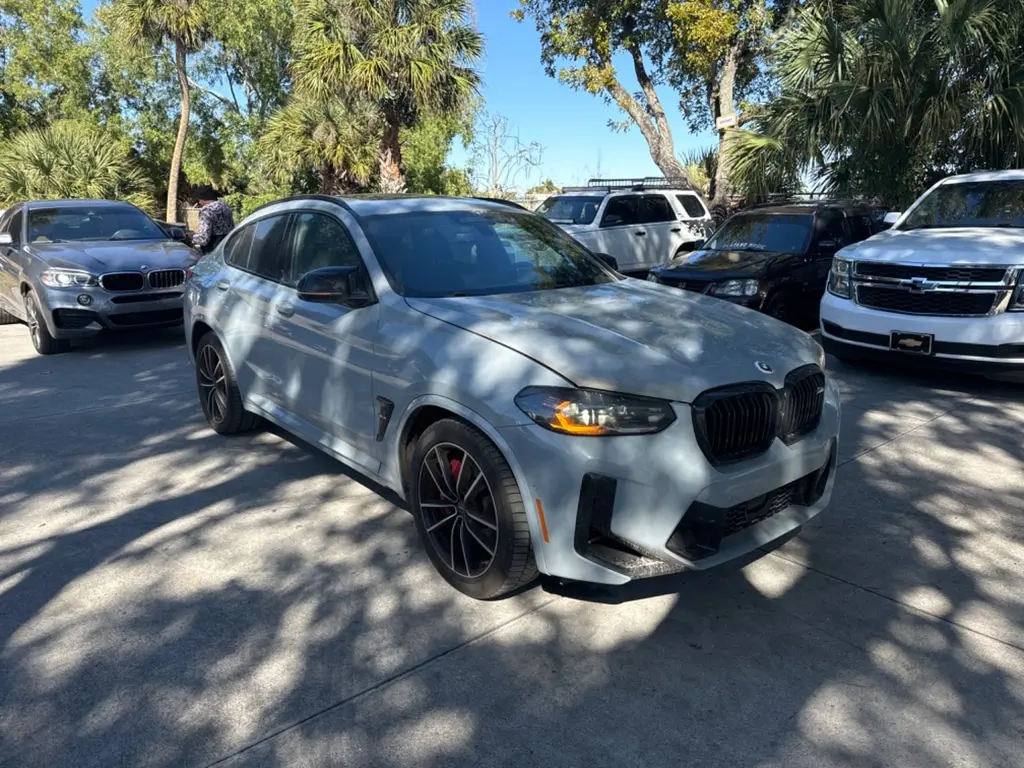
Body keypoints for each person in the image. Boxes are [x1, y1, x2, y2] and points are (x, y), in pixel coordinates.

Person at [191, 185, 235, 253]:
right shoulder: (225, 206)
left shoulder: (206, 211)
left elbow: (203, 239)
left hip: (213, 250)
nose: (198, 202)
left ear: (202, 199)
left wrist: (191, 237)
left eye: (198, 199)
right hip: (227, 247)